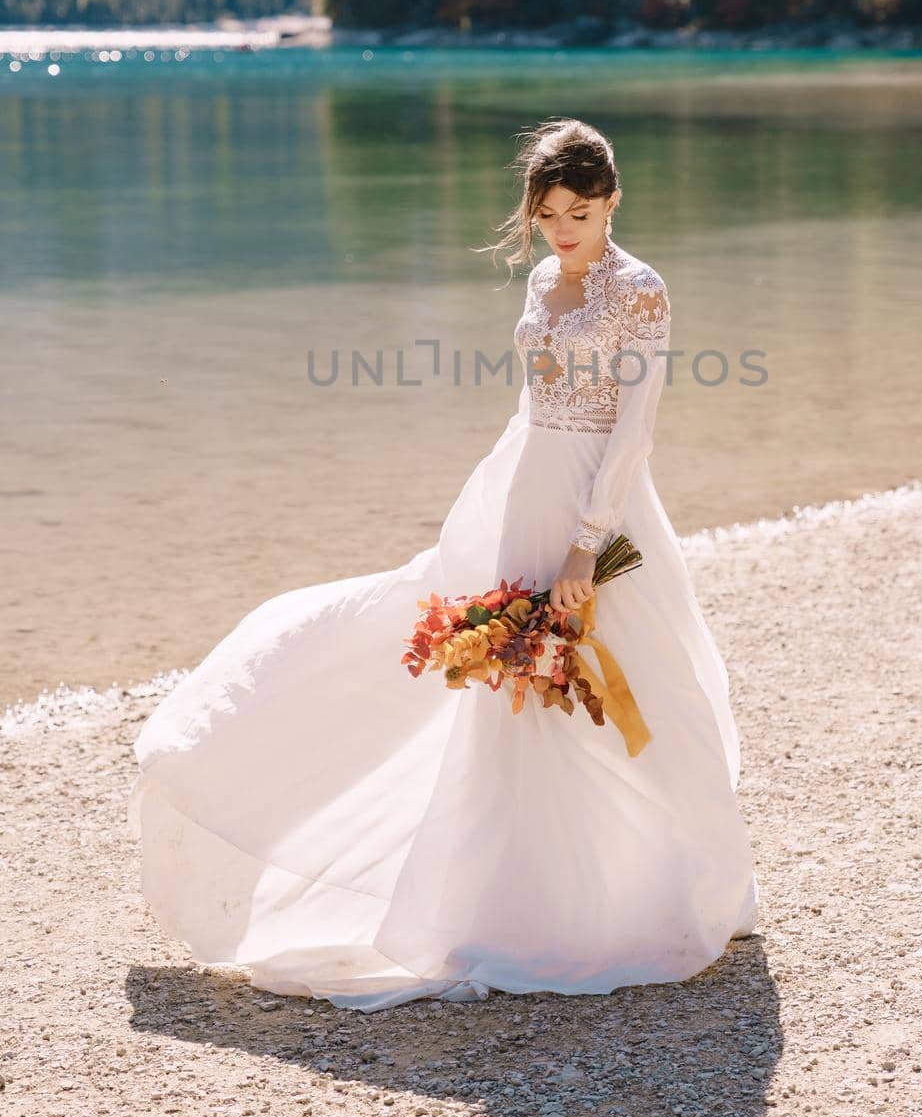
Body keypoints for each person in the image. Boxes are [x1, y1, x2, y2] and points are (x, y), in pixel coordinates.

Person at [127, 117, 760, 1011]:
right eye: (549, 214)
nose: (565, 229)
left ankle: (660, 888)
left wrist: (587, 542)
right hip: (525, 489)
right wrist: (491, 500)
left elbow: (634, 426)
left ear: (613, 201)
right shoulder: (543, 279)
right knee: (508, 687)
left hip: (596, 507)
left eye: (581, 210)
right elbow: (529, 402)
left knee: (625, 686)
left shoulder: (641, 292)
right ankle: (510, 904)